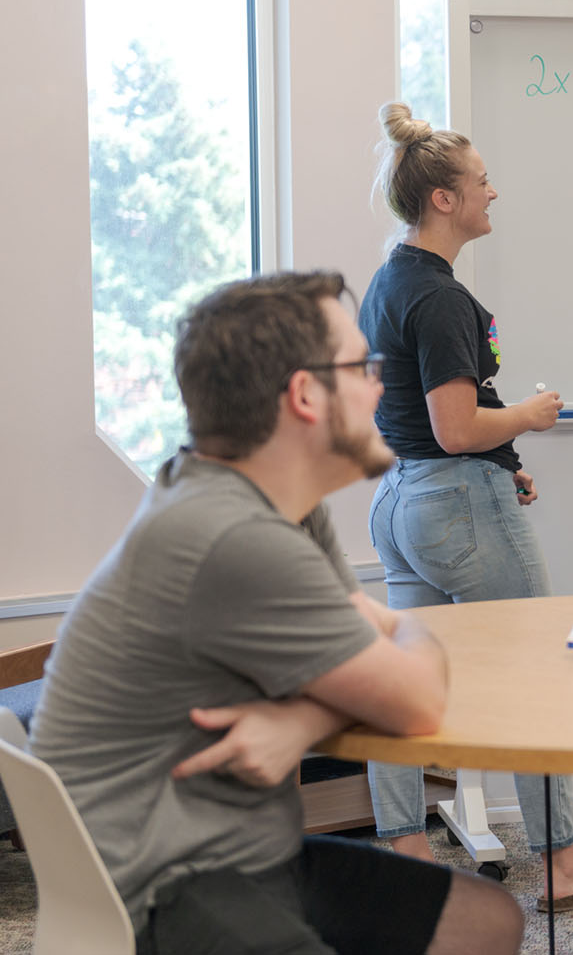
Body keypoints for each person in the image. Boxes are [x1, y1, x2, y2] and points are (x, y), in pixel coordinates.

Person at [29, 272, 522, 954]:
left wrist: (303, 719)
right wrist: (404, 631)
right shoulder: (234, 537)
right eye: (361, 366)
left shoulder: (264, 503)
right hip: (163, 889)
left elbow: (377, 660)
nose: (381, 383)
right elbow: (415, 698)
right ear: (304, 395)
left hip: (237, 855)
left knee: (487, 919)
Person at [359, 102, 573, 911]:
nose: (493, 193)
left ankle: (405, 853)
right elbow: (456, 425)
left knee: (403, 684)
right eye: (481, 181)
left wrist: (499, 463)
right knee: (538, 679)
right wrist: (527, 419)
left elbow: (421, 425)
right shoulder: (441, 298)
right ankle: (563, 869)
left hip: (405, 502)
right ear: (443, 198)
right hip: (453, 498)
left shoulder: (390, 279)